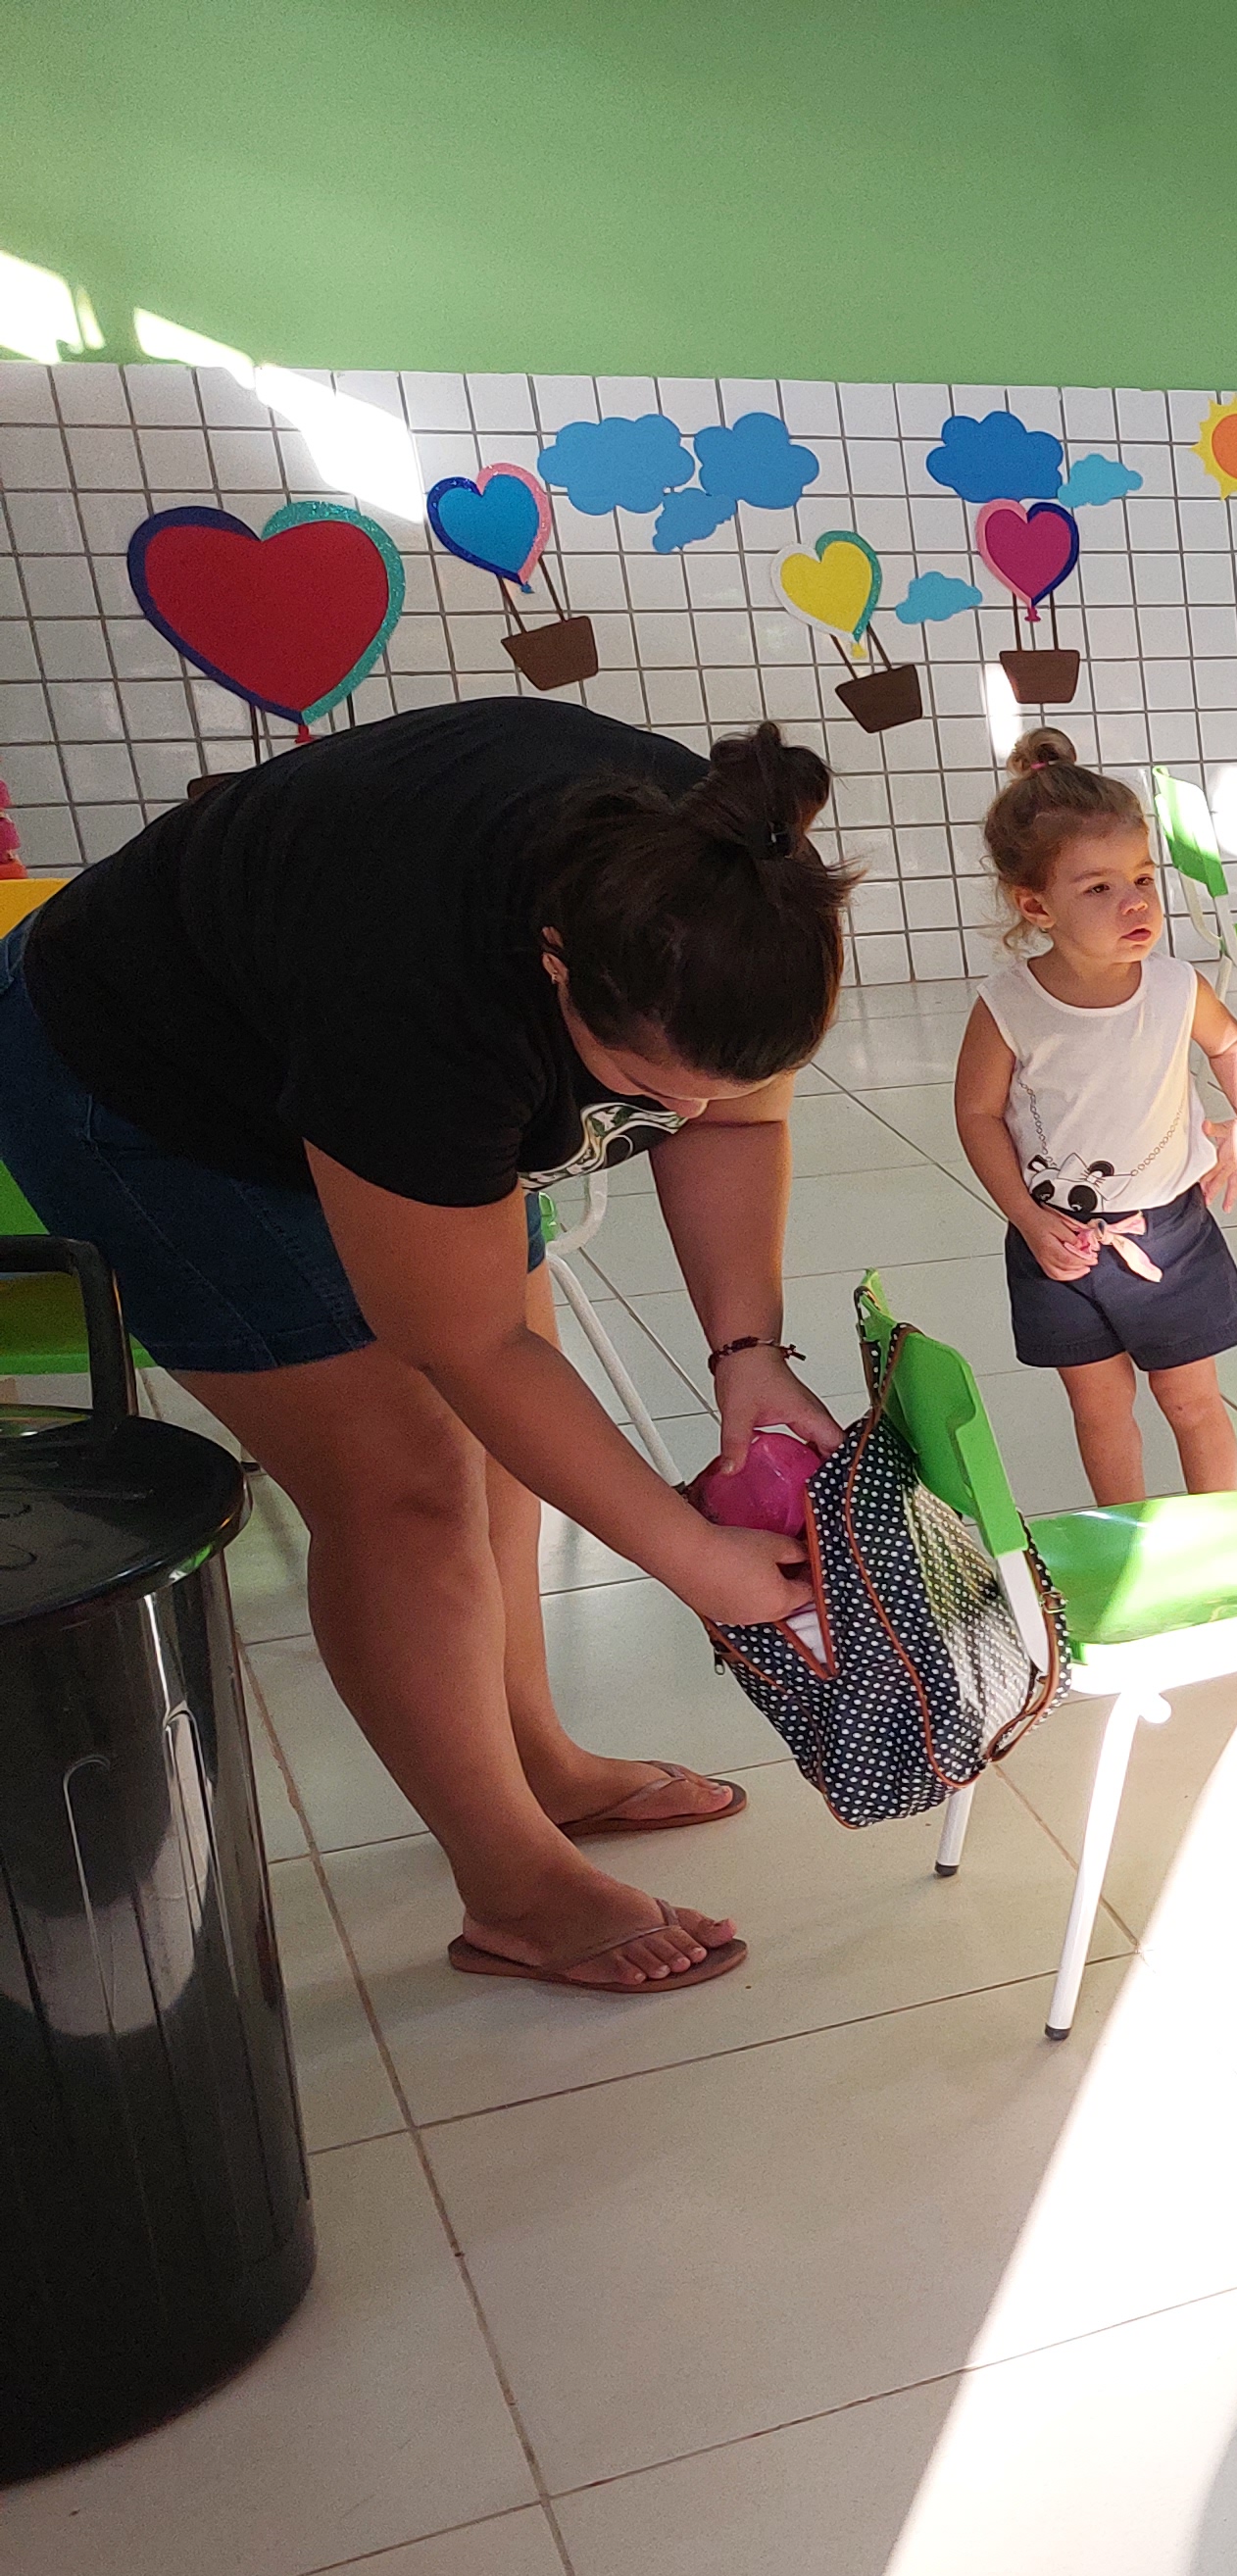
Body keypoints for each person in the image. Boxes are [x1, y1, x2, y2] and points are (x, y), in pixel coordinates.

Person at [0, 699, 856, 1996]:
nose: (679, 1114)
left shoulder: (736, 886)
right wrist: (692, 1561)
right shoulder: (422, 993)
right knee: (410, 1488)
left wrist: (748, 1348)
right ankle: (510, 1885)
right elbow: (467, 1344)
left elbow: (735, 1121)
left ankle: (540, 1765)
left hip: (345, 1026)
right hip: (151, 1083)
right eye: (647, 1086)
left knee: (504, 1462)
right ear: (558, 963)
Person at [949, 731, 1237, 1505]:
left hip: (1170, 1230)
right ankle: (1125, 1533)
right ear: (1036, 906)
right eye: (1098, 888)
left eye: (1143, 878)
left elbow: (1232, 1046)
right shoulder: (1008, 1004)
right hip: (1056, 1240)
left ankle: (1218, 1528)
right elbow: (976, 1113)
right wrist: (1027, 1218)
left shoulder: (1175, 987)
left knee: (1190, 1400)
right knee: (1098, 1407)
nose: (1134, 902)